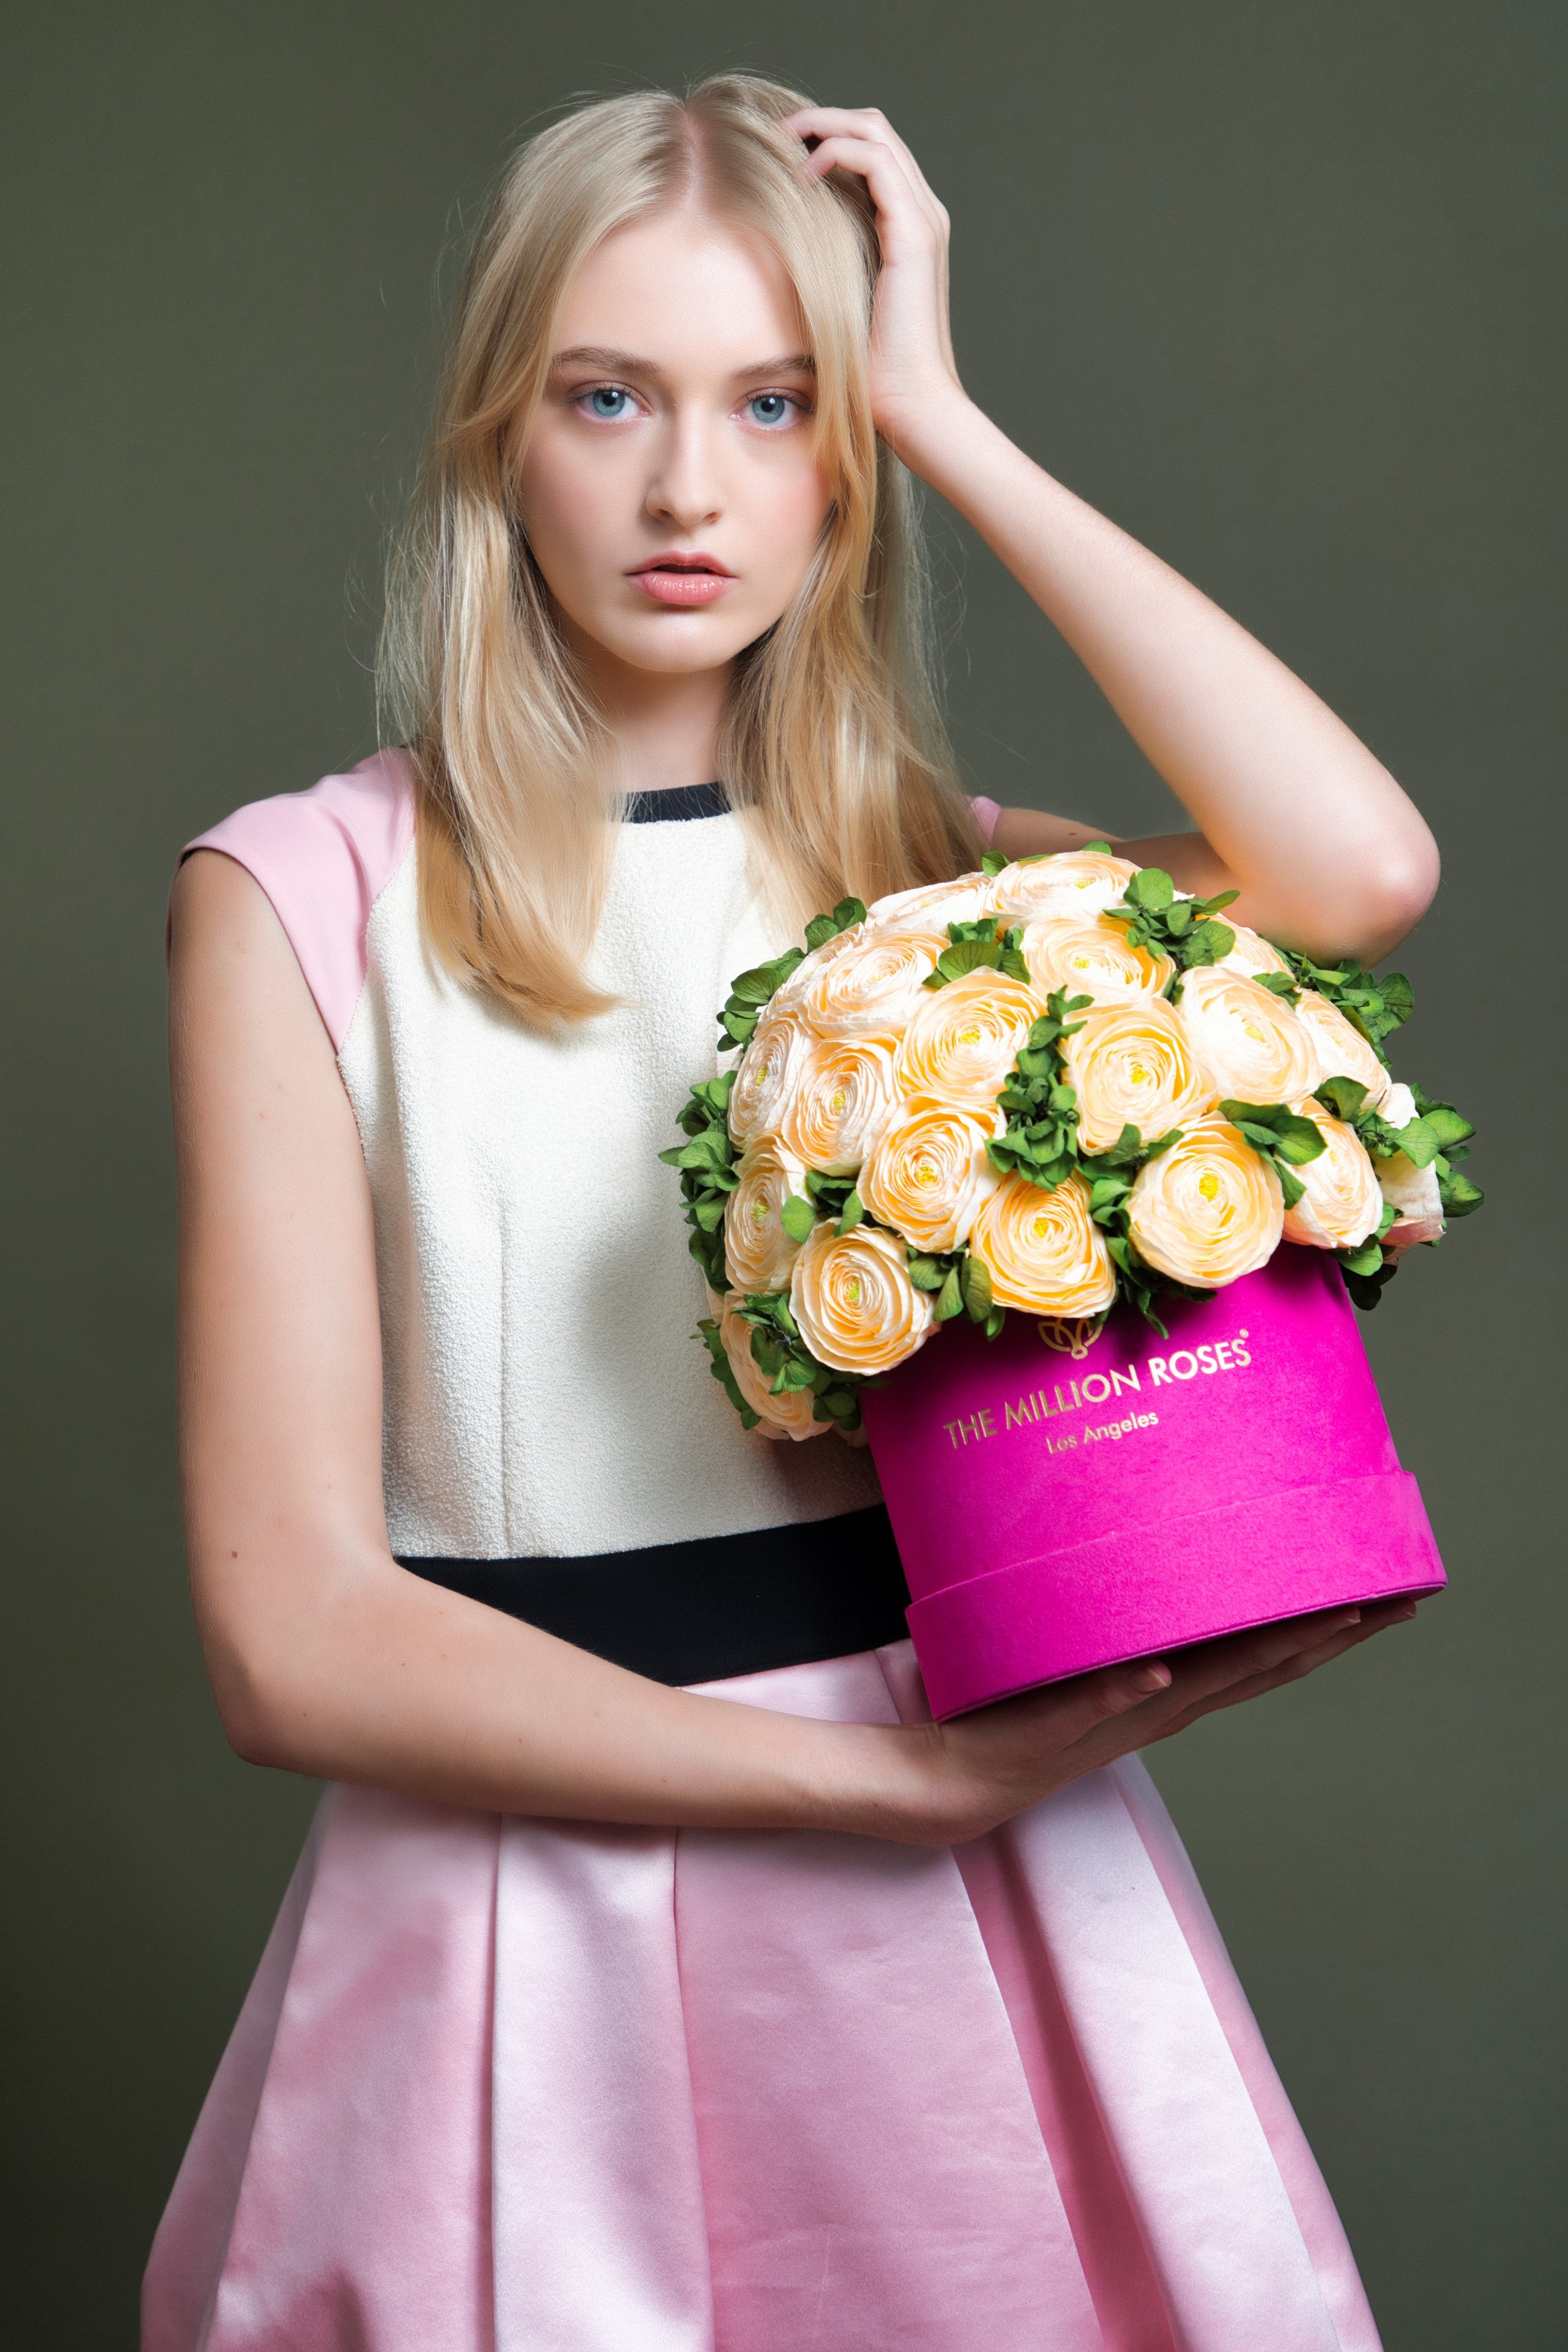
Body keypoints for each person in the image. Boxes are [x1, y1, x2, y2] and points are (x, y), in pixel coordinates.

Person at [146, 74, 1437, 2352]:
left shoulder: (925, 870)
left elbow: (1352, 872)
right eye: (606, 395)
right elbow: (297, 1641)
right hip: (522, 1909)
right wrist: (892, 1786)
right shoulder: (301, 895)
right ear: (494, 435)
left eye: (776, 405)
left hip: (977, 1898)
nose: (682, 486)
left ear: (842, 465)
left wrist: (942, 407)